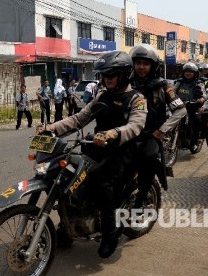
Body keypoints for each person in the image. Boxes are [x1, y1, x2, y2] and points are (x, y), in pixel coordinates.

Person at [37, 51, 147, 259]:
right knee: (67, 175)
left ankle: (109, 233)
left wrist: (114, 133)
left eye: (112, 74)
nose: (107, 78)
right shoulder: (102, 95)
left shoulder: (136, 99)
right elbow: (79, 118)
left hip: (123, 152)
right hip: (97, 148)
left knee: (100, 179)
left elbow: (136, 125)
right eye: (105, 74)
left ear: (124, 74)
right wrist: (51, 127)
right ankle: (67, 227)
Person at [129, 44, 186, 208]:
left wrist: (162, 130)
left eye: (145, 64)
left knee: (148, 158)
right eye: (138, 63)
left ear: (153, 66)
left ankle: (140, 199)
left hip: (150, 135)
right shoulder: (127, 83)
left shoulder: (163, 86)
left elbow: (180, 110)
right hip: (128, 133)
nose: (141, 67)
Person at [174, 62, 206, 152]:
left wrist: (200, 99)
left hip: (192, 106)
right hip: (179, 106)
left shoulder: (198, 83)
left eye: (191, 72)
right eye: (186, 71)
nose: (188, 73)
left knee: (195, 122)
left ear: (195, 73)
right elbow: (172, 92)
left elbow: (204, 95)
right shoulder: (179, 82)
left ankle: (194, 142)